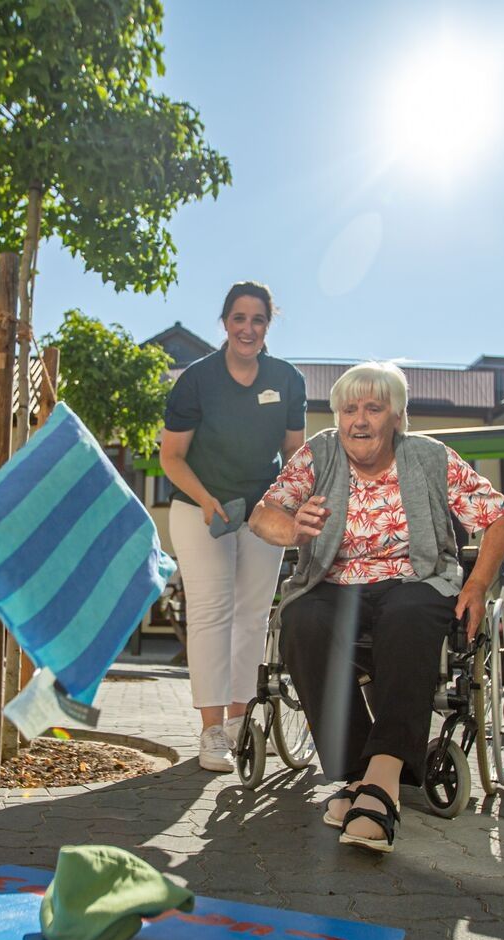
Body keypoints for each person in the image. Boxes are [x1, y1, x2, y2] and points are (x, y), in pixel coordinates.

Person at [249, 361, 504, 853]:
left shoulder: (430, 457)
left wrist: (477, 586)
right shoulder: (319, 453)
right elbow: (262, 515)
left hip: (416, 579)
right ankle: (358, 774)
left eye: (374, 407)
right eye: (349, 409)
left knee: (408, 616)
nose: (360, 420)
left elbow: (499, 516)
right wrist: (292, 529)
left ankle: (384, 774)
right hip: (334, 583)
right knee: (301, 619)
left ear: (397, 415)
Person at [160, 281, 307, 771]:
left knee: (252, 616)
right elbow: (172, 457)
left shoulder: (286, 379)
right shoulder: (196, 380)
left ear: (268, 325)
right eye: (239, 318)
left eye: (258, 319)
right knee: (212, 613)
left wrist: (288, 506)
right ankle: (209, 733)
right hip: (199, 507)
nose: (248, 328)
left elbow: (293, 454)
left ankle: (240, 723)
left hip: (262, 510)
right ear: (224, 322)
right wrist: (205, 499)